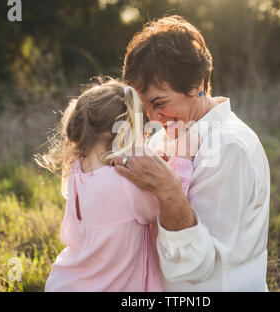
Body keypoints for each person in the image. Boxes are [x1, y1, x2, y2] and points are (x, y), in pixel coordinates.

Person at [113, 15, 271, 291]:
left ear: (198, 83)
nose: (151, 117)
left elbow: (196, 266)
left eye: (159, 102)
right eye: (143, 106)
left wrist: (170, 192)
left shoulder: (229, 148)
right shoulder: (164, 135)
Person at [35, 78, 194, 291]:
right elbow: (170, 199)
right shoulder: (126, 183)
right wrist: (181, 159)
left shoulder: (77, 169)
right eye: (142, 131)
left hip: (68, 283)